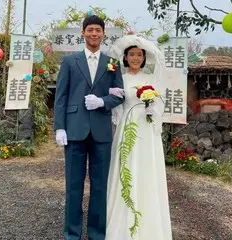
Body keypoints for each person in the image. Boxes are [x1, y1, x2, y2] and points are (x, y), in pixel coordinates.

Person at [53, 15, 124, 240]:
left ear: (104, 34)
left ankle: (96, 234)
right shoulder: (69, 61)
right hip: (74, 130)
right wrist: (59, 127)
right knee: (73, 187)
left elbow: (120, 94)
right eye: (90, 30)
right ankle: (72, 234)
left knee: (100, 187)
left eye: (98, 30)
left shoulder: (112, 63)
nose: (94, 34)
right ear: (83, 33)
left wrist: (103, 101)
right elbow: (61, 96)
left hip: (102, 132)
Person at [106, 34, 173, 239]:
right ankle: (121, 220)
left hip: (146, 126)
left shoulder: (151, 79)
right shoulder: (120, 79)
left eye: (139, 55)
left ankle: (148, 220)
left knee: (146, 168)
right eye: (132, 54)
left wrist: (152, 110)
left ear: (144, 58)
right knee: (125, 167)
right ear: (125, 57)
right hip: (127, 125)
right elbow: (115, 103)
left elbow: (159, 102)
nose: (135, 58)